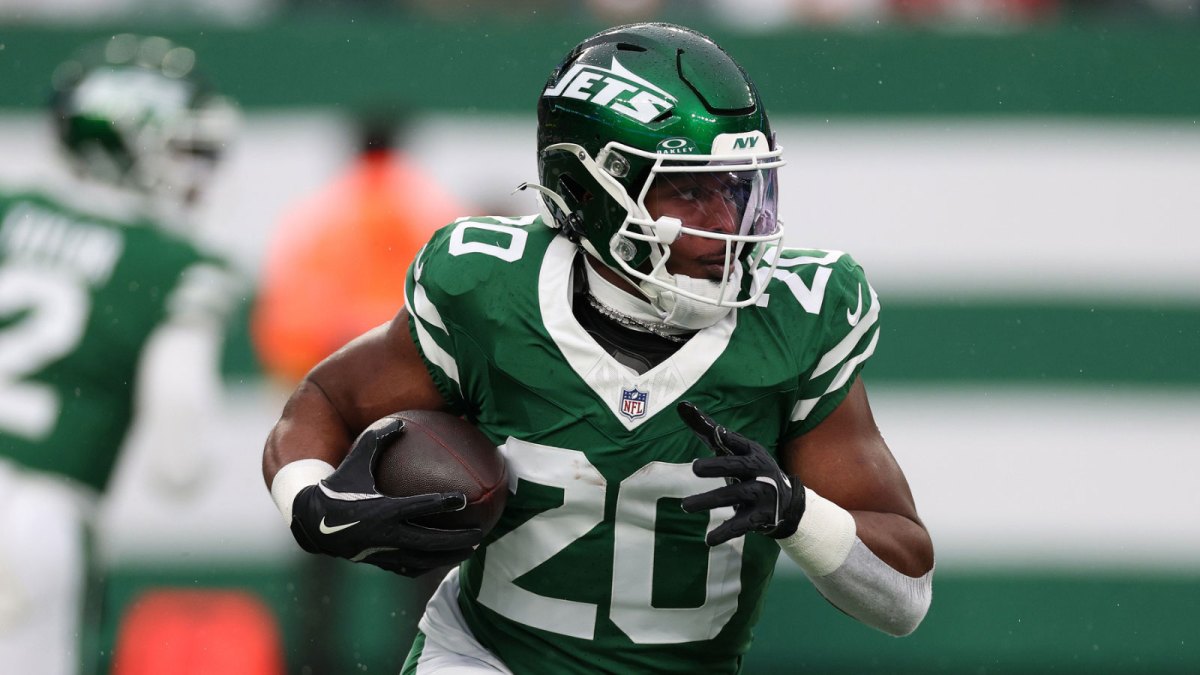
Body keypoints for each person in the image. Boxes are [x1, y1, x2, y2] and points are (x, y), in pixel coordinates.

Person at [262, 22, 934, 674]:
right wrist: (308, 499)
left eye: (739, 187)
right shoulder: (490, 291)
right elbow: (324, 399)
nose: (726, 222)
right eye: (689, 190)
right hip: (485, 657)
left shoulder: (796, 316)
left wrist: (797, 512)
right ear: (588, 191)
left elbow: (906, 597)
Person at [0, 34, 240, 674]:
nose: (198, 172)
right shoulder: (175, 264)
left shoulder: (7, 209)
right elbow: (179, 461)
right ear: (125, 141)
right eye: (185, 149)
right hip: (32, 516)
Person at [252, 108, 470, 384]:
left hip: (326, 356)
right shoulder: (429, 205)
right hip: (409, 355)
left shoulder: (320, 208)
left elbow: (288, 293)